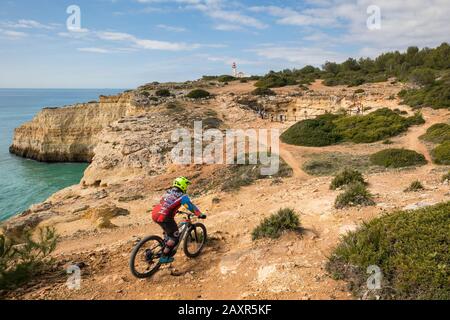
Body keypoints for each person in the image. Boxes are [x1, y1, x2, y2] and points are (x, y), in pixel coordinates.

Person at [151, 176, 206, 264]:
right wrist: (199, 214)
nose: (186, 187)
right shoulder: (182, 196)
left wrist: (175, 210)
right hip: (165, 217)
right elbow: (190, 206)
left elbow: (166, 203)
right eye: (186, 185)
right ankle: (164, 257)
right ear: (183, 185)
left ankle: (166, 242)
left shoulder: (168, 192)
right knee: (175, 237)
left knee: (168, 230)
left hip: (155, 213)